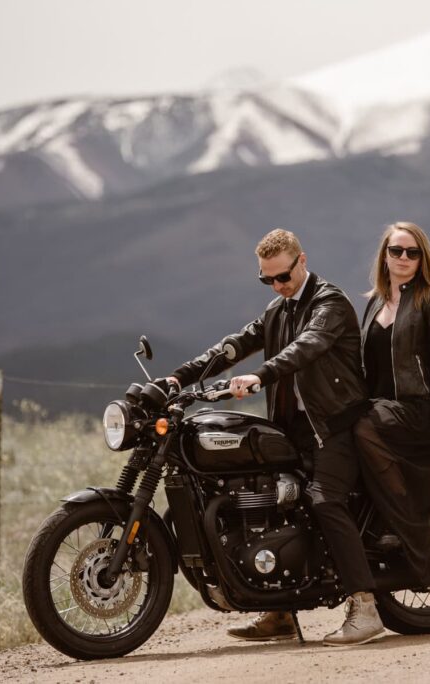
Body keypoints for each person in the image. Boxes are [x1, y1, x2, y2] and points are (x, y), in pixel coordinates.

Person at [163, 228, 385, 646]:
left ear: (302, 260)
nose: (278, 286)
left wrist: (261, 375)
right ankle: (280, 612)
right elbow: (232, 346)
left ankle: (366, 606)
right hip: (294, 429)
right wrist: (179, 376)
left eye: (282, 277)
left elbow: (307, 346)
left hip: (336, 425)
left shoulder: (330, 303)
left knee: (324, 500)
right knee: (271, 501)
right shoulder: (277, 310)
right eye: (268, 280)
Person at [354, 221, 430, 587]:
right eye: (396, 250)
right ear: (384, 256)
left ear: (422, 260)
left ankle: (402, 521)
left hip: (418, 409)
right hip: (378, 406)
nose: (403, 258)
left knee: (363, 423)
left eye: (412, 252)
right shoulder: (373, 302)